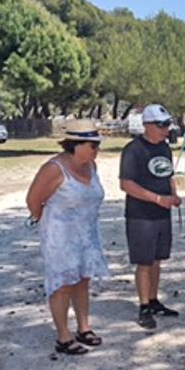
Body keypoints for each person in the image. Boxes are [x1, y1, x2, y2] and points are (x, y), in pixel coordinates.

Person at [26, 120, 111, 355]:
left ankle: (84, 328)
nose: (96, 150)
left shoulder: (91, 166)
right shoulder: (54, 169)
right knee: (63, 284)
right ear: (75, 145)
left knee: (83, 279)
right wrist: (50, 223)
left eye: (97, 145)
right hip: (60, 236)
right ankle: (63, 336)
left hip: (86, 233)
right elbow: (34, 201)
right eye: (92, 145)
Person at [119, 103, 182, 330]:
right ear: (147, 125)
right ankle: (144, 306)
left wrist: (173, 195)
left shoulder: (165, 148)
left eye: (167, 125)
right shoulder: (133, 150)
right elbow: (126, 184)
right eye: (161, 125)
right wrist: (157, 199)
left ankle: (154, 300)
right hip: (141, 215)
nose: (166, 129)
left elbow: (168, 174)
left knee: (157, 260)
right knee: (144, 262)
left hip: (162, 214)